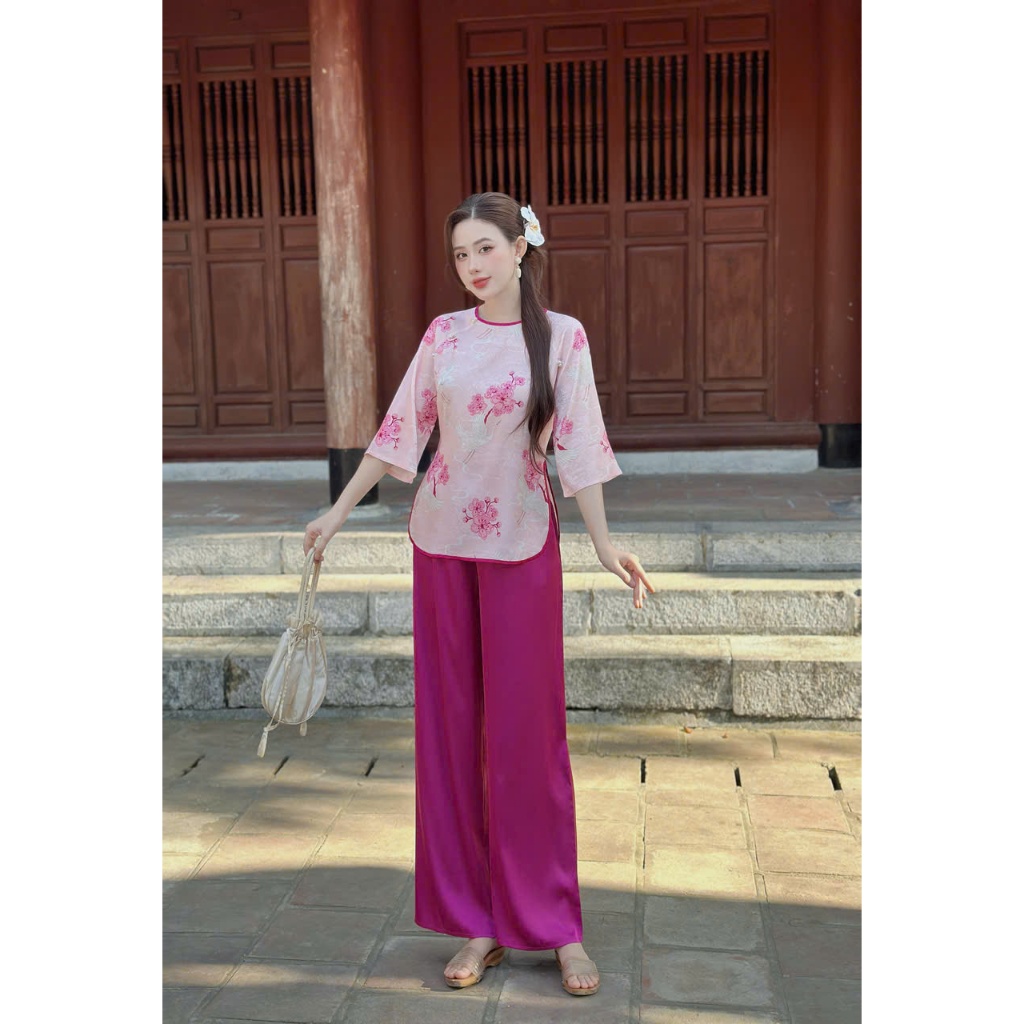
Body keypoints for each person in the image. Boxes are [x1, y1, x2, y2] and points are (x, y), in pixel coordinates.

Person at [303, 192, 654, 997]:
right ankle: (480, 921)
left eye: (486, 248)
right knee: (453, 735)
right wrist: (337, 512)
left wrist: (605, 546)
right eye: (461, 254)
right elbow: (399, 431)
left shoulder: (561, 337)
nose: (473, 266)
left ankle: (557, 926)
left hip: (522, 543)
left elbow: (581, 447)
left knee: (530, 737)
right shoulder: (444, 336)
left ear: (521, 248)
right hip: (441, 545)